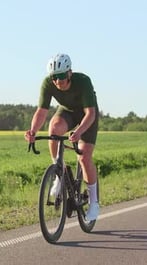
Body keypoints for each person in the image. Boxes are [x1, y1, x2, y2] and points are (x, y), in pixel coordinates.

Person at [24, 53, 100, 220]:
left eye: (61, 77)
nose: (58, 82)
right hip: (67, 111)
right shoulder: (48, 84)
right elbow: (41, 112)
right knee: (54, 129)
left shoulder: (83, 82)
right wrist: (33, 131)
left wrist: (79, 132)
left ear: (69, 73)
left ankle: (94, 203)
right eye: (54, 78)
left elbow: (90, 114)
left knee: (84, 157)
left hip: (87, 115)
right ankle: (59, 171)